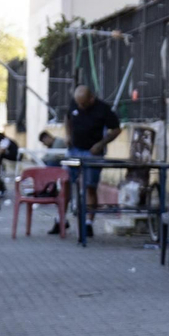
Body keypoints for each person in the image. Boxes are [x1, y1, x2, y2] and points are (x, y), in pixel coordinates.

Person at [64, 85, 119, 231]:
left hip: (92, 153)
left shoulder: (103, 109)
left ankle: (89, 223)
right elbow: (67, 118)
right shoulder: (74, 103)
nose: (80, 107)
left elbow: (116, 129)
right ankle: (61, 219)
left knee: (90, 186)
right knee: (65, 182)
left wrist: (101, 144)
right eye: (78, 104)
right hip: (74, 150)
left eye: (83, 104)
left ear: (91, 99)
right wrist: (68, 135)